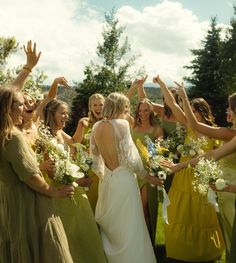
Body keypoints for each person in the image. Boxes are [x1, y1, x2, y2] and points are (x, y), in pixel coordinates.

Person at [153, 76, 224, 261]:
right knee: (179, 212)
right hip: (182, 174)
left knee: (201, 216)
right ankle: (181, 251)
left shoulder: (214, 132)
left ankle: (204, 252)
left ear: (203, 111)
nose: (191, 113)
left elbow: (218, 158)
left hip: (201, 178)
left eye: (194, 111)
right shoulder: (189, 126)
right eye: (190, 110)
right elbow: (172, 105)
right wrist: (162, 85)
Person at [0, 87, 74, 263]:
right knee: (46, 250)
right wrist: (56, 192)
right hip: (29, 204)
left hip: (10, 203)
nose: (25, 107)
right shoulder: (13, 137)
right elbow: (30, 176)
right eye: (20, 103)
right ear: (8, 108)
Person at [90, 92, 163, 263]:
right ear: (119, 107)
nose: (127, 111)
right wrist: (147, 177)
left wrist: (104, 174)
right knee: (131, 224)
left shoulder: (96, 126)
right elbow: (131, 158)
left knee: (113, 225)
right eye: (126, 107)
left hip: (107, 180)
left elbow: (93, 158)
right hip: (124, 180)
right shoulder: (121, 125)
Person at [41, 98, 108, 263]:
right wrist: (77, 181)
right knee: (68, 230)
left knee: (84, 227)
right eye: (62, 113)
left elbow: (73, 143)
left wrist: (80, 126)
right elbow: (50, 172)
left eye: (66, 113)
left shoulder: (59, 131)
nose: (66, 116)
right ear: (52, 114)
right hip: (59, 191)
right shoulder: (44, 136)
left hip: (72, 185)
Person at [175, 84, 236, 261]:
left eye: (229, 108)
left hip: (230, 191)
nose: (227, 111)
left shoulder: (229, 134)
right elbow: (212, 154)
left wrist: (185, 98)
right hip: (224, 190)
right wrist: (180, 166)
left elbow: (196, 126)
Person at [131, 98, 164, 245]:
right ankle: (137, 242)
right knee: (133, 209)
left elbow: (160, 148)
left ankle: (148, 242)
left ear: (151, 111)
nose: (143, 113)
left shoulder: (157, 129)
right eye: (140, 110)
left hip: (147, 172)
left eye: (146, 110)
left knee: (145, 208)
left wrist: (156, 150)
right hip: (132, 171)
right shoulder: (132, 126)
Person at [72, 93, 105, 212]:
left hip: (105, 169)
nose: (98, 107)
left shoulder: (108, 123)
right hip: (88, 169)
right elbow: (74, 144)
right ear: (90, 107)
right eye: (95, 105)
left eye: (101, 104)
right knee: (90, 206)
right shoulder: (84, 122)